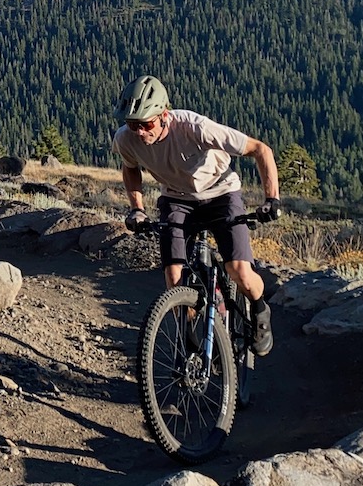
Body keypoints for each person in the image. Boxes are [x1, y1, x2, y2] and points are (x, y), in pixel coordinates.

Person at [111, 75, 281, 356]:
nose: (140, 131)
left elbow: (260, 150)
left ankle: (261, 308)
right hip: (176, 199)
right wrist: (136, 208)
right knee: (174, 274)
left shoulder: (196, 128)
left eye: (146, 124)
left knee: (239, 270)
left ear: (164, 115)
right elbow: (130, 169)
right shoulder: (125, 138)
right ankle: (190, 341)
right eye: (132, 124)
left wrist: (271, 199)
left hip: (221, 194)